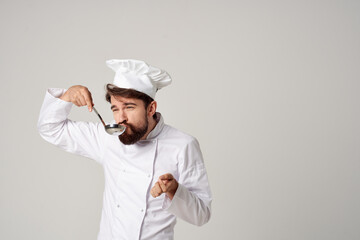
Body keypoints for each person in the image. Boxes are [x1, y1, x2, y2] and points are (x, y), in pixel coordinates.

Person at [37, 59, 212, 240]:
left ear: (151, 108)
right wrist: (67, 97)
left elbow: (202, 215)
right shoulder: (108, 138)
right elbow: (50, 128)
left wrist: (174, 190)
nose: (120, 118)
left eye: (129, 107)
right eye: (115, 109)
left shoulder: (183, 145)